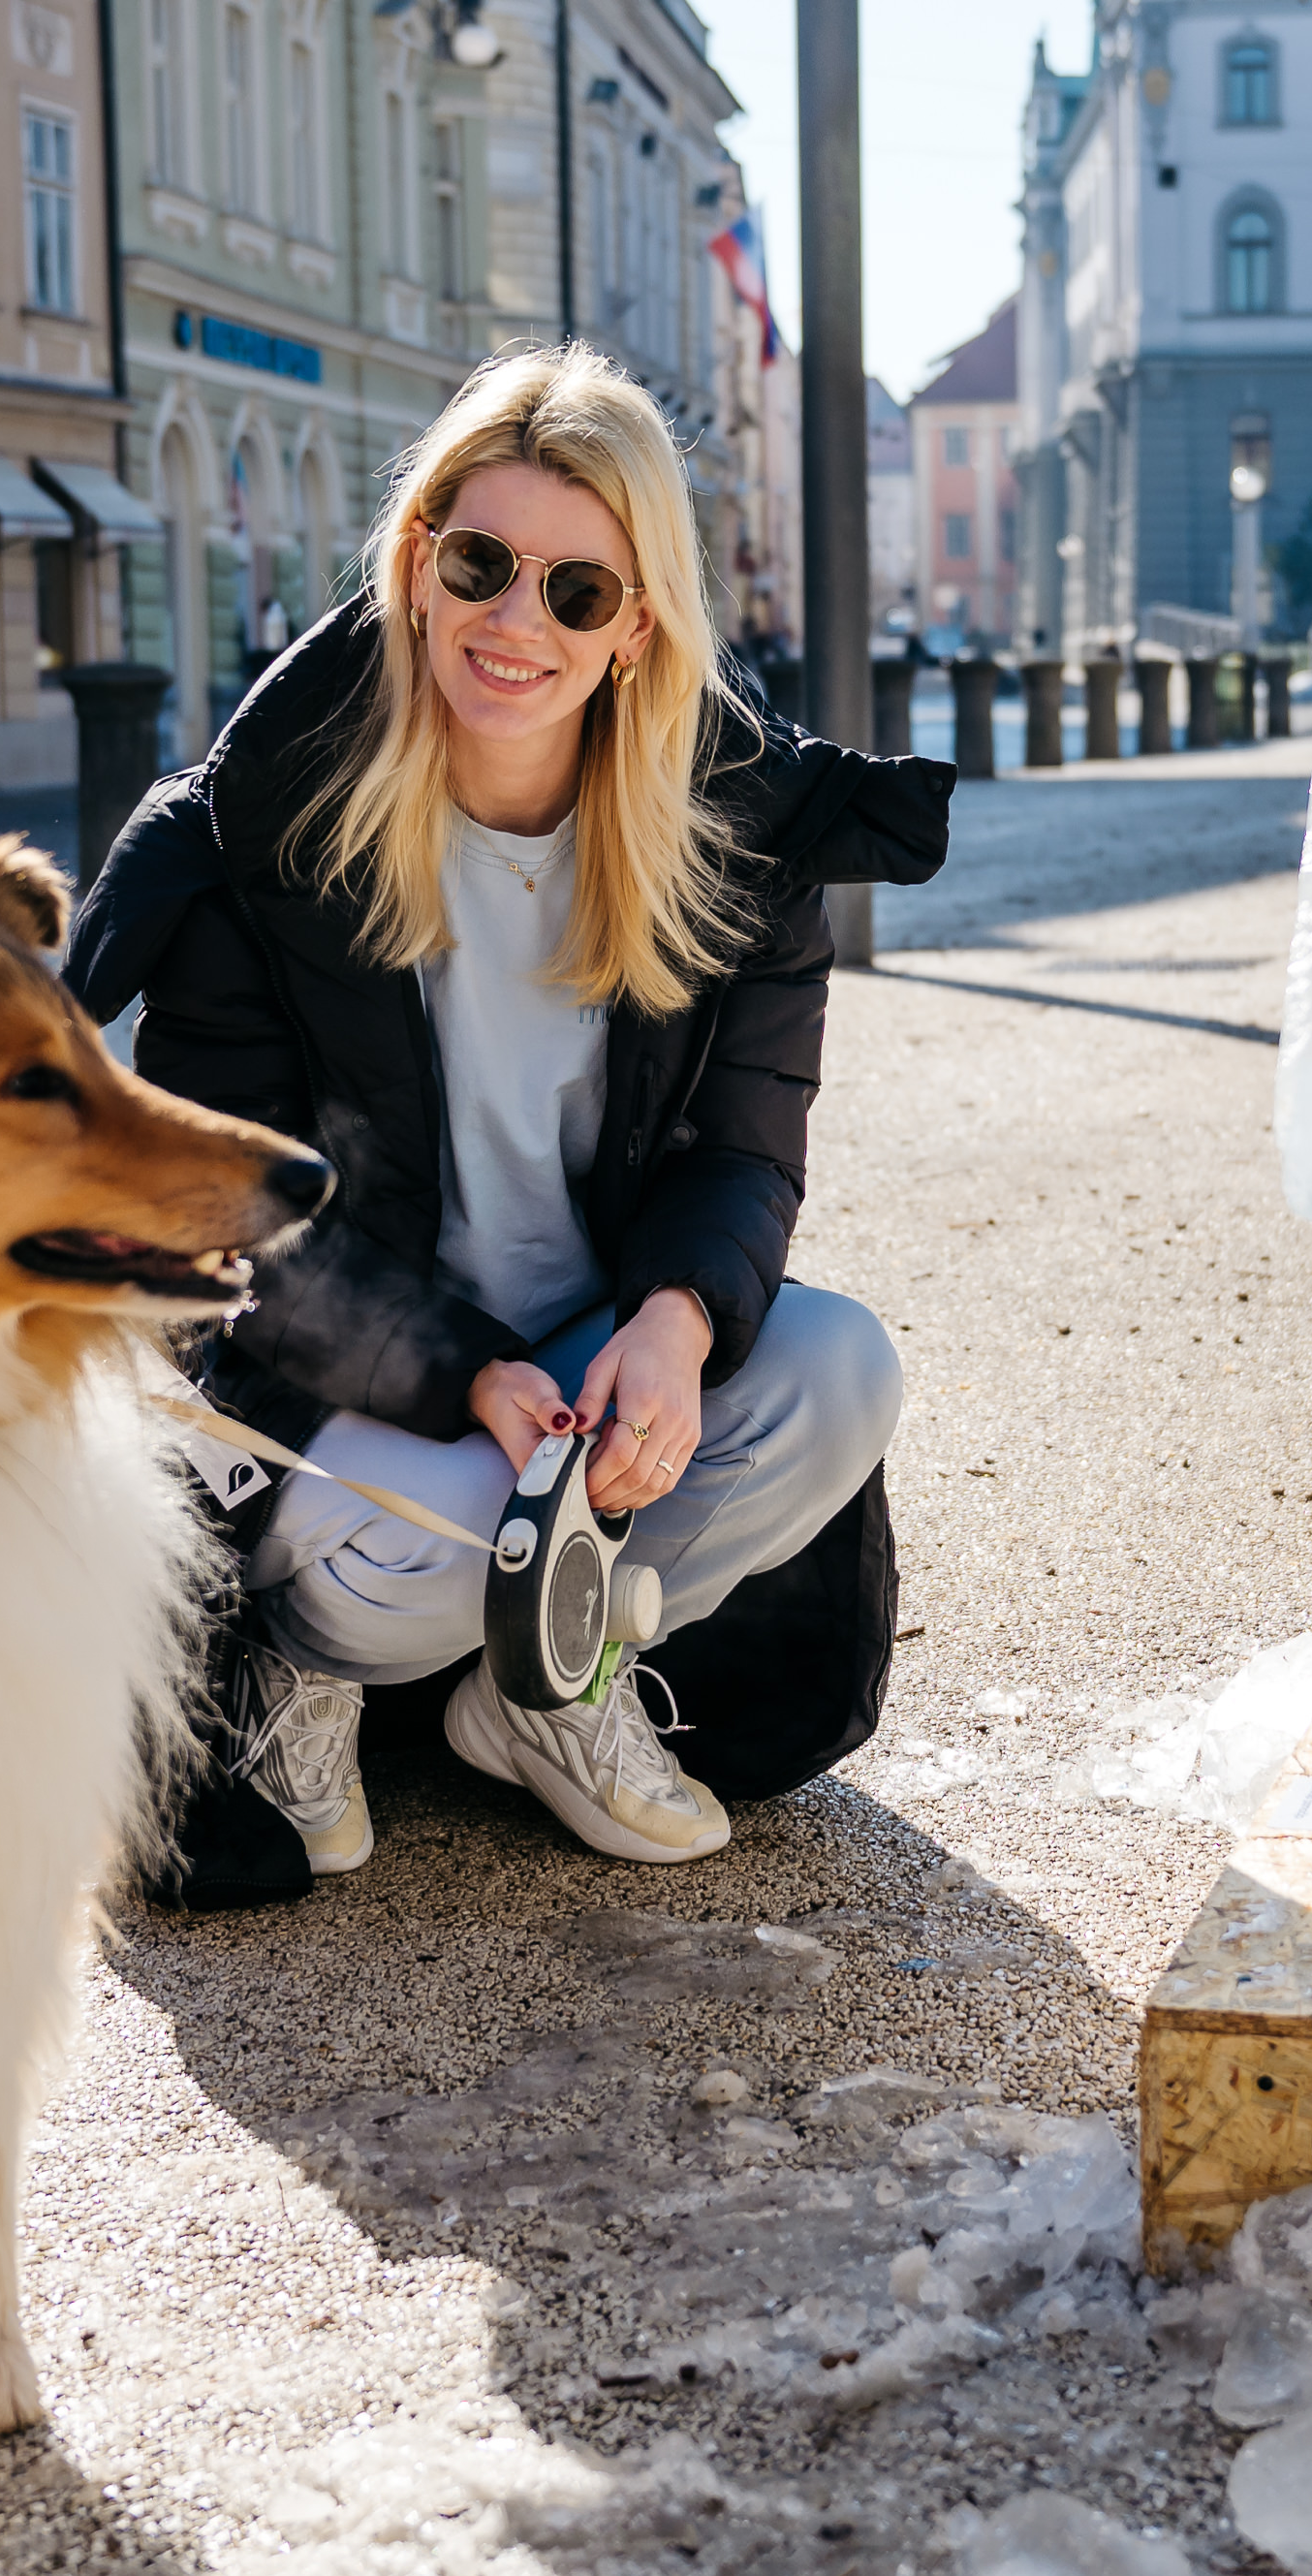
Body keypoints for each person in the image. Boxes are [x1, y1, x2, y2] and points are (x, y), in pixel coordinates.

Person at [68, 344, 948, 1884]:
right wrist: (464, 1371)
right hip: (345, 1385)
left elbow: (747, 1148)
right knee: (454, 1532)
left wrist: (674, 1322)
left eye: (577, 591)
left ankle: (544, 1691)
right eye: (481, 562)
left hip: (586, 1368)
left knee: (837, 1374)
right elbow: (246, 1220)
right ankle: (305, 1666)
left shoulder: (736, 851)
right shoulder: (268, 840)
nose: (515, 621)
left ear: (640, 625)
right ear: (418, 566)